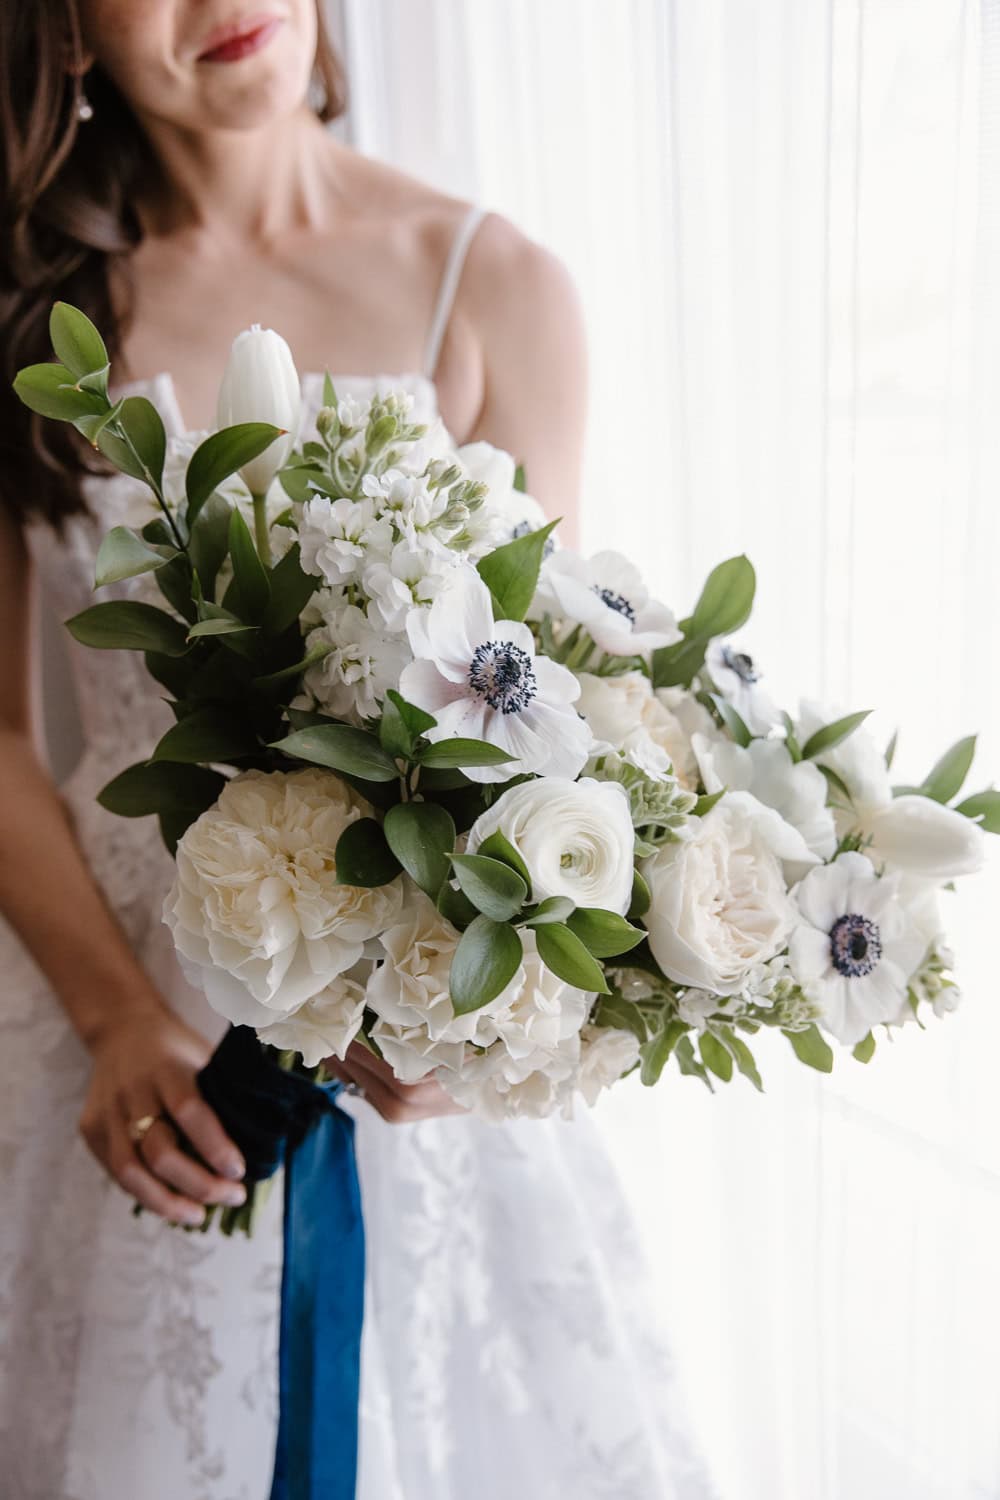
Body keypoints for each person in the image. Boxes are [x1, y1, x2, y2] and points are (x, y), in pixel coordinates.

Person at [0, 3, 714, 1496]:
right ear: (63, 29)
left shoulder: (494, 285)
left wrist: (480, 1021)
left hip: (402, 1041)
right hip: (126, 1036)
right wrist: (122, 1018)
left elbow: (543, 729)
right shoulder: (29, 322)